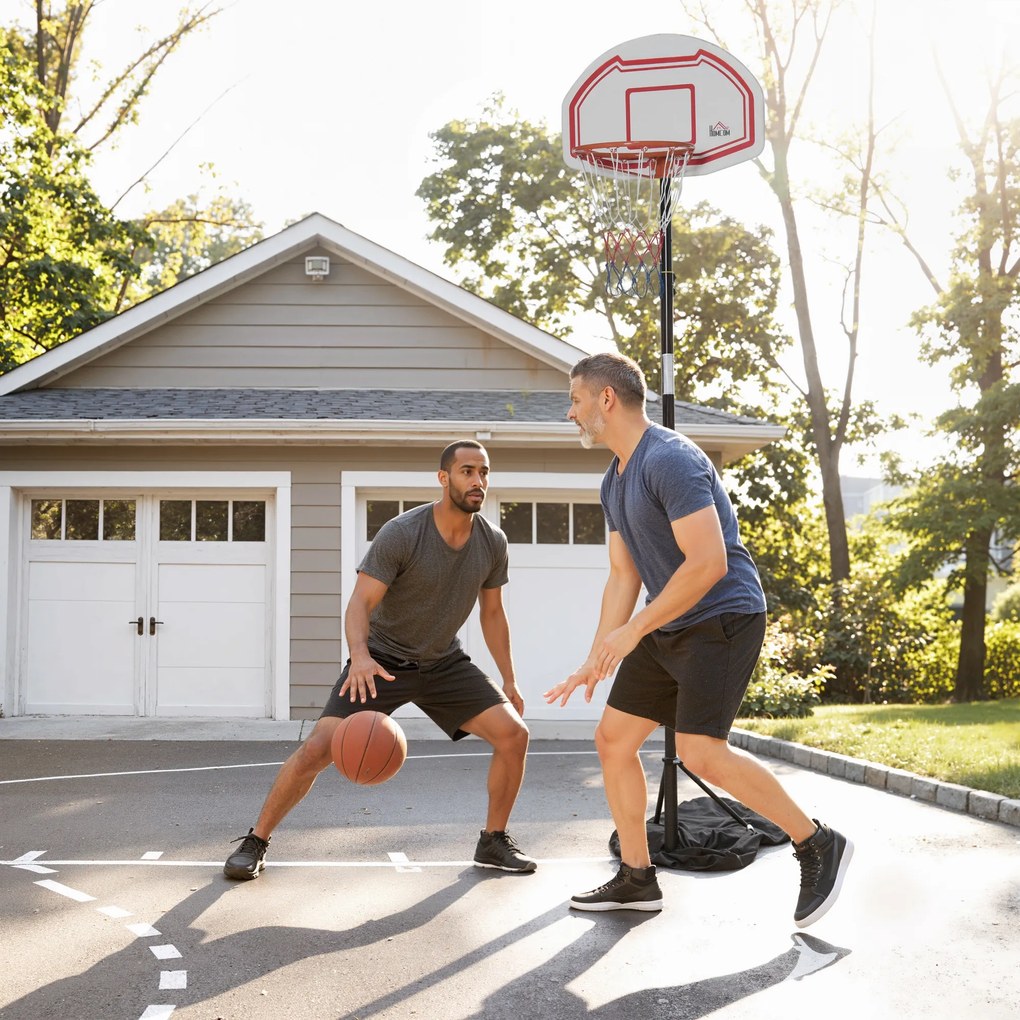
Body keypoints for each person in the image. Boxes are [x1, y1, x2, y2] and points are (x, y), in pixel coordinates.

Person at [545, 352, 852, 927]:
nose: (571, 412)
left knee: (700, 750)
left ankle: (816, 842)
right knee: (613, 739)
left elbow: (708, 562)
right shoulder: (613, 481)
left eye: (576, 398)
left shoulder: (670, 458)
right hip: (669, 622)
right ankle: (637, 878)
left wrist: (636, 628)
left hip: (722, 616)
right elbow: (623, 575)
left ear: (606, 399)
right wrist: (597, 656)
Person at [225, 440, 536, 880]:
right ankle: (256, 840)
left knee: (514, 736)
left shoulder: (492, 541)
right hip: (382, 660)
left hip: (443, 662)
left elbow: (493, 613)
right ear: (443, 477)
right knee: (318, 749)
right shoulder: (403, 532)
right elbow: (359, 604)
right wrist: (359, 658)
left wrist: (510, 679)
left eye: (484, 472)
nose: (478, 481)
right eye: (467, 471)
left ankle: (492, 841)